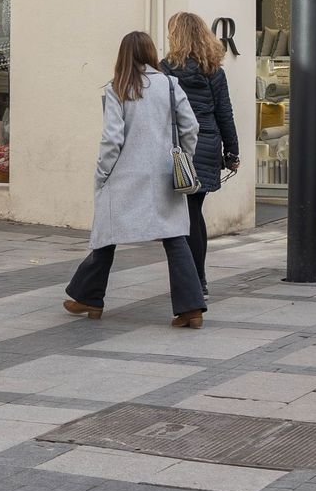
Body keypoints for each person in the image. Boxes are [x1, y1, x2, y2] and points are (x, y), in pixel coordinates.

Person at [64, 31, 208, 328]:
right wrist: (184, 159)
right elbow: (191, 126)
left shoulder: (117, 89)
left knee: (107, 234)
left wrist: (102, 173)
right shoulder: (170, 85)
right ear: (152, 53)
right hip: (165, 174)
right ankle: (191, 308)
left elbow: (112, 139)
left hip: (124, 175)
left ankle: (89, 296)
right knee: (174, 237)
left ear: (123, 55)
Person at [160, 12, 240, 296]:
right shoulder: (214, 71)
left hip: (177, 147)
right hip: (206, 146)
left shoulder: (165, 70)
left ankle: (195, 281)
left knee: (186, 215)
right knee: (194, 212)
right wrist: (232, 151)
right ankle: (199, 280)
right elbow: (224, 113)